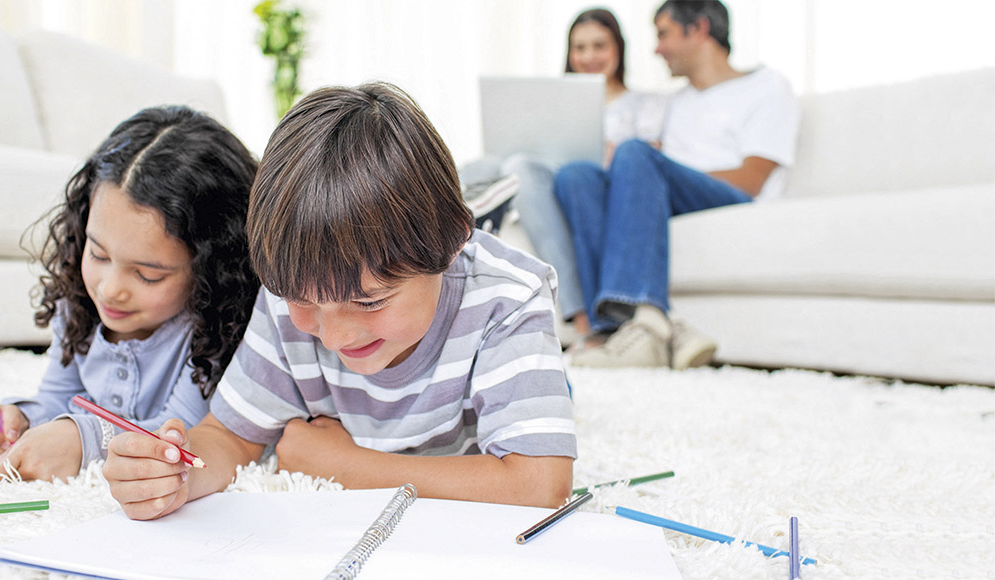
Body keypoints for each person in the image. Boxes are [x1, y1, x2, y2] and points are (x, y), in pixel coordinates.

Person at [102, 83, 577, 521]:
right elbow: (230, 436)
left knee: (549, 406)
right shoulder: (289, 291)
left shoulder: (509, 299)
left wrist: (345, 466)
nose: (334, 335)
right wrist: (178, 473)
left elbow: (539, 484)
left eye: (369, 301)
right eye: (303, 301)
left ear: (455, 239)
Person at [0, 106, 262, 482]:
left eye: (148, 275)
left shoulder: (217, 327)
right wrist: (17, 419)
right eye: (98, 254)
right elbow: (58, 397)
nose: (110, 289)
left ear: (212, 267)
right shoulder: (80, 305)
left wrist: (83, 440)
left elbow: (186, 431)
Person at [553, 0, 798, 370]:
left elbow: (751, 180)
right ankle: (614, 330)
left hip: (730, 198)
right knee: (577, 175)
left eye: (663, 34)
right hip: (674, 194)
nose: (656, 49)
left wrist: (655, 169)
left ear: (697, 29)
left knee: (635, 154)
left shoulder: (765, 86)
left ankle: (647, 317)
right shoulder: (676, 103)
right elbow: (649, 169)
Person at [461, 7, 666, 347]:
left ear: (619, 48)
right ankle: (460, 210)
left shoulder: (643, 105)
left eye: (599, 45)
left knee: (520, 168)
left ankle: (579, 313)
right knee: (483, 165)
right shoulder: (554, 100)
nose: (589, 56)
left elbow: (647, 163)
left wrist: (612, 150)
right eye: (580, 47)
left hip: (590, 185)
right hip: (545, 177)